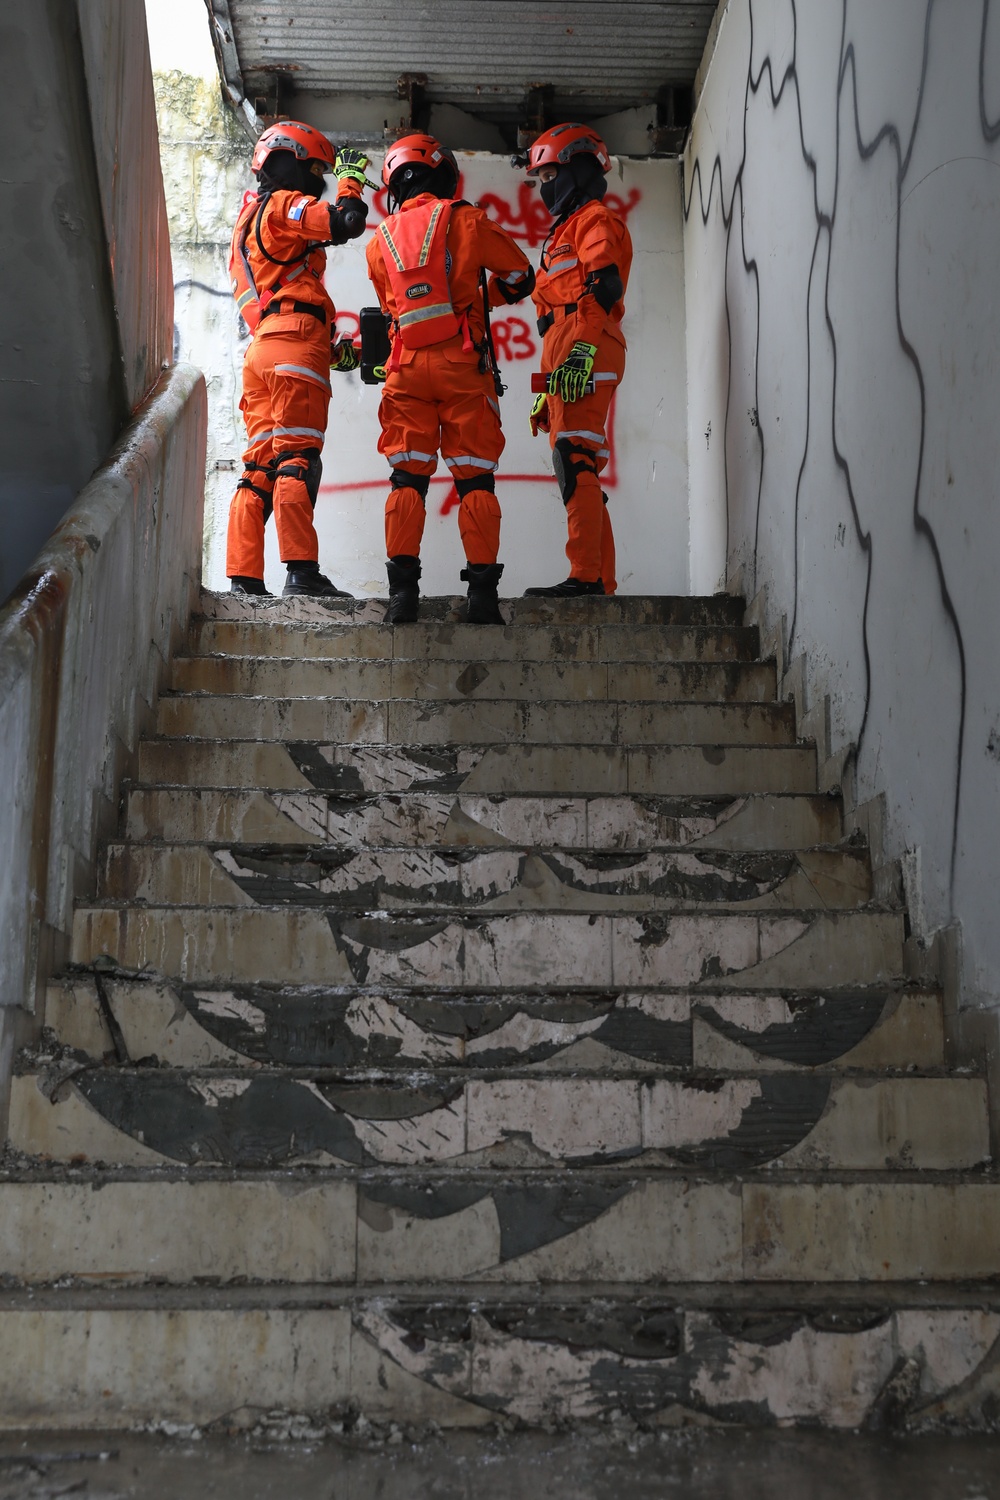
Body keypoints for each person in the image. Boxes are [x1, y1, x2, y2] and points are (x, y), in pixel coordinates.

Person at [365, 132, 535, 623]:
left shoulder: (380, 241)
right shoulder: (467, 219)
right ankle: (482, 599)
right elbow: (521, 275)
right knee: (475, 481)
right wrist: (484, 302)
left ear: (396, 183)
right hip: (464, 365)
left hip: (406, 369)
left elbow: (389, 308)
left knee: (406, 481)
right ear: (444, 175)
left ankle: (401, 599)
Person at [225, 120, 371, 597]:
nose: (320, 180)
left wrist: (333, 350)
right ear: (289, 161)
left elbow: (279, 295)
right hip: (294, 345)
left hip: (263, 348)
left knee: (259, 466)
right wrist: (352, 180)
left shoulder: (244, 224)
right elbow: (346, 222)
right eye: (315, 168)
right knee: (298, 458)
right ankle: (301, 573)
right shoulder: (286, 204)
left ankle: (244, 577)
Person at [517, 123, 633, 597]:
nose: (545, 188)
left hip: (589, 340)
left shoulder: (594, 221)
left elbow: (604, 288)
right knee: (576, 460)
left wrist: (581, 351)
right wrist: (550, 385)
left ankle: (584, 577)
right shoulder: (565, 230)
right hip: (570, 346)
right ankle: (599, 581)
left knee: (574, 457)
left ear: (577, 169)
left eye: (549, 176)